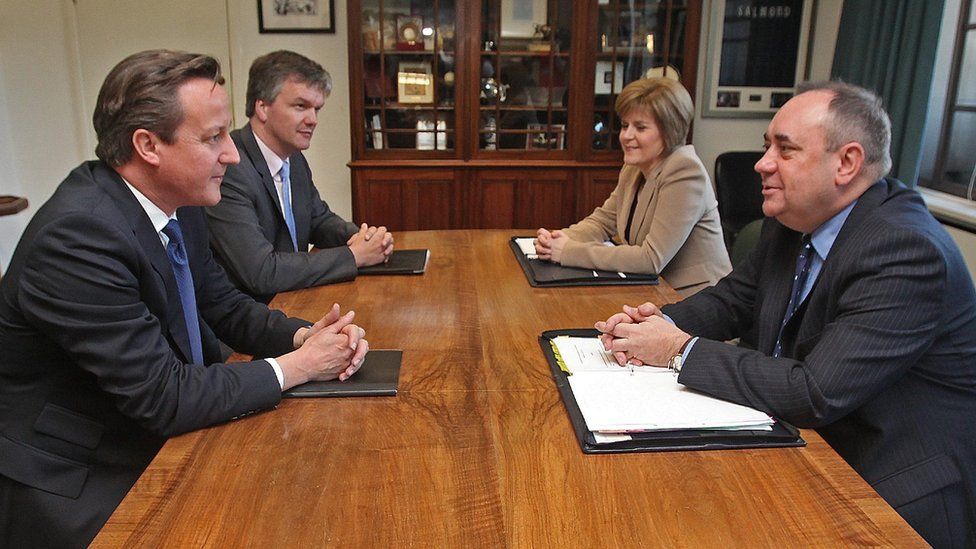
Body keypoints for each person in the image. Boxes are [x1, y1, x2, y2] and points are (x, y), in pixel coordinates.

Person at [0, 50, 369, 547]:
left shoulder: (179, 198)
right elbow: (164, 396)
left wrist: (303, 334)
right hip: (80, 473)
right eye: (213, 137)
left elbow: (221, 304)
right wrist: (299, 366)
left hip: (155, 431)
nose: (233, 154)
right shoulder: (79, 236)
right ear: (148, 145)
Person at [596, 81, 976, 548]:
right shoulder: (794, 220)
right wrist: (658, 324)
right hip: (805, 442)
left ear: (848, 163)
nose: (761, 163)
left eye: (785, 149)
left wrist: (676, 349)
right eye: (765, 145)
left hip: (888, 489)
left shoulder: (904, 249)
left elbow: (816, 390)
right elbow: (733, 300)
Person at [206, 50, 393, 303]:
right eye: (300, 106)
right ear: (262, 107)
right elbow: (261, 271)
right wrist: (355, 256)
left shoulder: (293, 158)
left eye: (317, 109)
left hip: (294, 299)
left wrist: (363, 237)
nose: (313, 119)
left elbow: (318, 220)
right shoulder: (231, 167)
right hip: (251, 320)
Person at [535, 77, 730, 296]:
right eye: (625, 125)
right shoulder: (634, 168)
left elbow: (650, 259)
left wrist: (568, 252)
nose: (627, 136)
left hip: (696, 299)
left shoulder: (685, 171)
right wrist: (558, 239)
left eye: (640, 127)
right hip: (651, 289)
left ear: (669, 130)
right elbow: (603, 221)